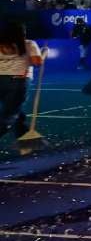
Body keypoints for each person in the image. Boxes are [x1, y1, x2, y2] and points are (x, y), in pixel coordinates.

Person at [0, 20, 43, 154]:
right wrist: (41, 54)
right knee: (11, 114)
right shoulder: (29, 44)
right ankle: (26, 143)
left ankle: (26, 144)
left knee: (16, 112)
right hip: (18, 81)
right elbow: (37, 62)